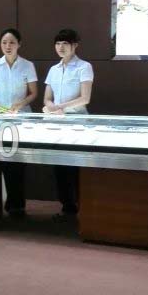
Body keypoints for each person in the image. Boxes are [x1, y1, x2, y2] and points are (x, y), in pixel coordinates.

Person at [0, 27, 38, 217]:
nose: (8, 46)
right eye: (4, 43)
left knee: (17, 162)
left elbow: (33, 93)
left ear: (19, 44)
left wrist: (21, 104)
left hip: (20, 119)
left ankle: (17, 205)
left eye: (12, 42)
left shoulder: (27, 65)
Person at [43, 28, 94, 217]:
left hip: (77, 124)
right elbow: (47, 98)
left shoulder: (84, 67)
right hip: (57, 124)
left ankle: (84, 208)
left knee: (77, 166)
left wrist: (60, 107)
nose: (61, 47)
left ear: (75, 45)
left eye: (65, 43)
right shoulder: (53, 70)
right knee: (60, 166)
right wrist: (51, 106)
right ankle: (67, 207)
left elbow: (85, 98)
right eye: (58, 43)